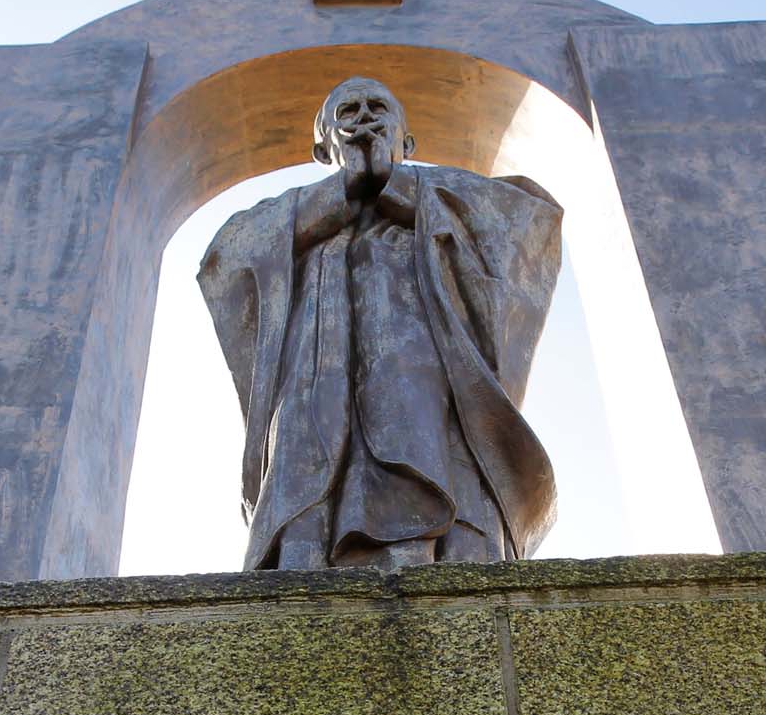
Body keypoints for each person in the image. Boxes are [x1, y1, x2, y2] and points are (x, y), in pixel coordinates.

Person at [199, 76, 562, 570]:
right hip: (312, 389)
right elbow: (226, 258)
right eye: (347, 112)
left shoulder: (444, 195)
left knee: (424, 437)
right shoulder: (287, 215)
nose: (365, 119)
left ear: (406, 141)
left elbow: (530, 220)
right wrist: (335, 198)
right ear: (322, 147)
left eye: (378, 108)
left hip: (424, 379)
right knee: (303, 468)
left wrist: (402, 188)